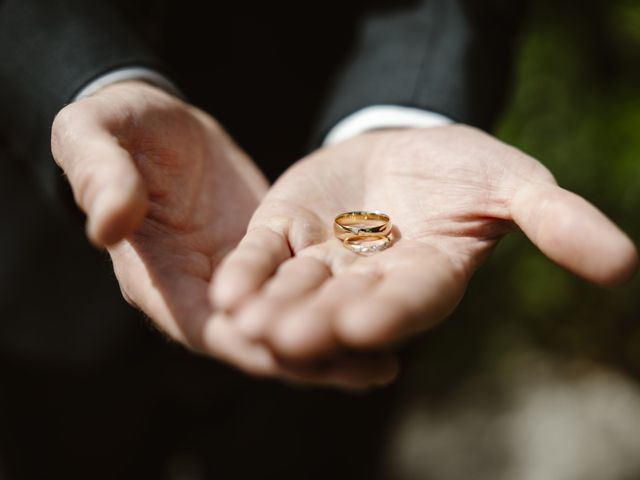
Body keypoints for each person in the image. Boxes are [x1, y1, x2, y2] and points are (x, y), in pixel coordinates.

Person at [0, 0, 636, 476]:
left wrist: (396, 113)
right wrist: (86, 77)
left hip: (318, 165)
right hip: (41, 286)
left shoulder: (364, 239)